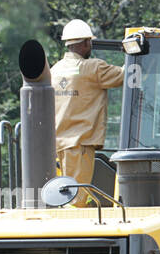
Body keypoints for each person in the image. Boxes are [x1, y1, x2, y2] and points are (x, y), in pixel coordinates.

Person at [52, 19, 124, 204]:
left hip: (57, 146)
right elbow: (128, 75)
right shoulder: (93, 68)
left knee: (63, 194)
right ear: (85, 43)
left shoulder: (55, 70)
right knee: (76, 197)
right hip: (79, 143)